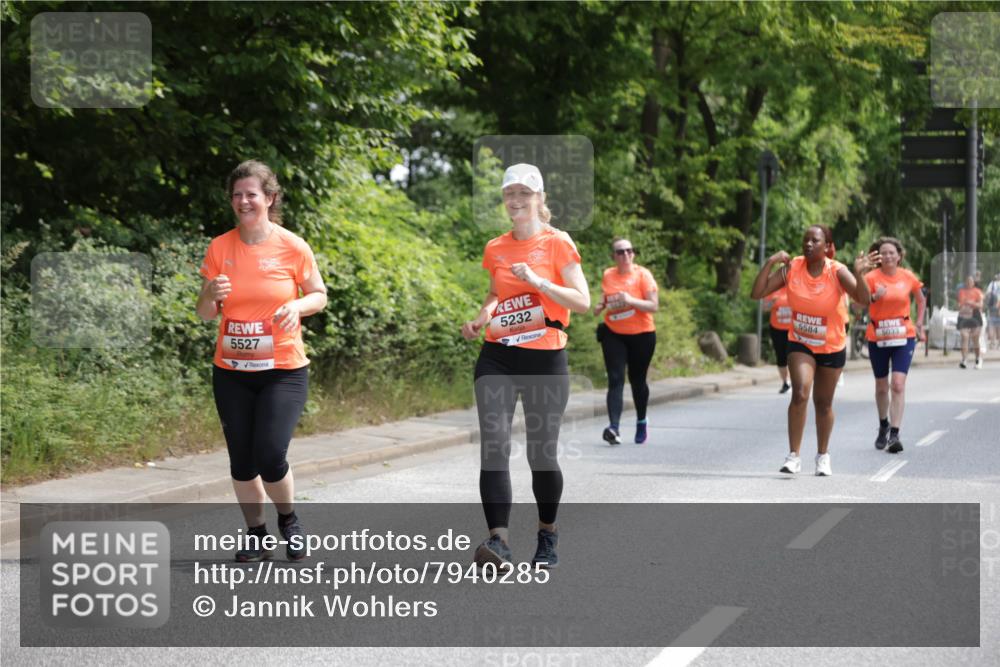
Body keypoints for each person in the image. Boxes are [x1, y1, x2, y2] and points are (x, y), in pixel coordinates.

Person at [196, 160, 327, 562]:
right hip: (231, 371)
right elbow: (205, 313)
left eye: (251, 194)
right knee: (241, 460)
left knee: (270, 454)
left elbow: (319, 294)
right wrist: (209, 293)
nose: (243, 201)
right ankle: (257, 534)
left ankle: (289, 519)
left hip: (282, 371)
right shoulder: (220, 247)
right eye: (237, 195)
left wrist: (296, 306)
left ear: (269, 198)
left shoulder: (292, 246)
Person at [461, 163, 590, 570]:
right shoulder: (496, 247)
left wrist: (539, 281)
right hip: (497, 355)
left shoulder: (557, 243)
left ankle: (547, 533)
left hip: (545, 358)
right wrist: (482, 316)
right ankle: (498, 542)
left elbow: (582, 301)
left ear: (539, 198)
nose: (515, 200)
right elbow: (495, 294)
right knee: (494, 445)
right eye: (509, 193)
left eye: (524, 193)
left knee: (541, 454)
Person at [750, 225, 876, 476]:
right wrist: (771, 262)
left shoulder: (837, 271)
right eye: (805, 240)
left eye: (814, 241)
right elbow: (757, 293)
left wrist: (859, 274)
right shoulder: (793, 268)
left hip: (831, 345)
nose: (808, 244)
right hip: (801, 341)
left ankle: (823, 455)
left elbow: (864, 300)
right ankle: (793, 456)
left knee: (823, 403)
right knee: (799, 393)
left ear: (827, 247)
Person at [863, 237, 926, 454]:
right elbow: (856, 305)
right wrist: (873, 297)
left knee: (897, 385)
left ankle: (895, 434)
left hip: (903, 337)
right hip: (878, 337)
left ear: (899, 256)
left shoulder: (907, 276)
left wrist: (919, 323)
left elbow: (921, 299)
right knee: (882, 387)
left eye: (892, 252)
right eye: (883, 253)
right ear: (878, 257)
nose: (888, 256)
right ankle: (883, 425)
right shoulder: (870, 277)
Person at [593, 238, 658, 444]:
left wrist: (630, 300)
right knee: (615, 379)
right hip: (614, 333)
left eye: (629, 250)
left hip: (642, 334)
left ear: (633, 254)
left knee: (637, 380)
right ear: (614, 256)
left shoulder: (643, 275)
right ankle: (614, 428)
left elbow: (653, 305)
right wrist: (600, 305)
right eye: (620, 252)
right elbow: (606, 296)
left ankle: (641, 421)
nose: (626, 255)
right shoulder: (608, 274)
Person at [763, 287, 792, 393]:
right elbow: (764, 308)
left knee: (793, 355)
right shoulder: (773, 290)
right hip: (777, 329)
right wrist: (772, 302)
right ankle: (785, 382)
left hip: (793, 329)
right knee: (781, 356)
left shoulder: (795, 288)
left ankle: (795, 380)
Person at [957, 275, 984, 369]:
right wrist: (960, 306)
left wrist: (971, 303)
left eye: (970, 281)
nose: (969, 283)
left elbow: (981, 305)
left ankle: (978, 358)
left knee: (975, 339)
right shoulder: (961, 292)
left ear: (973, 283)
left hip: (975, 316)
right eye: (967, 281)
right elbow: (959, 304)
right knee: (964, 337)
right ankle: (964, 359)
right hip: (963, 315)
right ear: (965, 282)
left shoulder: (977, 292)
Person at [985, 272, 1000, 351]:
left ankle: (992, 343)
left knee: (992, 325)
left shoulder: (992, 284)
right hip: (997, 306)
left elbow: (987, 294)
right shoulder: (993, 284)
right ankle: (998, 343)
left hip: (992, 307)